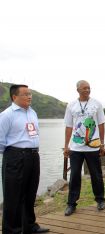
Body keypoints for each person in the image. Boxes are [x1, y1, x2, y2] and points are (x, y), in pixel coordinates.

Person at [0, 84, 49, 233]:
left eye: (30, 94)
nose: (29, 97)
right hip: (15, 156)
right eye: (25, 94)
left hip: (33, 156)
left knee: (30, 192)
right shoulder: (7, 115)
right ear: (14, 97)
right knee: (13, 195)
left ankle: (29, 225)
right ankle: (12, 230)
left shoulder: (32, 112)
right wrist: (13, 154)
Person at [63, 80, 105, 216]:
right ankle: (71, 204)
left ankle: (100, 200)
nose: (87, 90)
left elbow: (101, 124)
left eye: (89, 88)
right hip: (76, 148)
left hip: (93, 147)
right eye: (84, 88)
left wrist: (102, 143)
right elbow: (69, 126)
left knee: (96, 175)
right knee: (75, 175)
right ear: (78, 90)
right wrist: (66, 146)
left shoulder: (97, 104)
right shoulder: (71, 105)